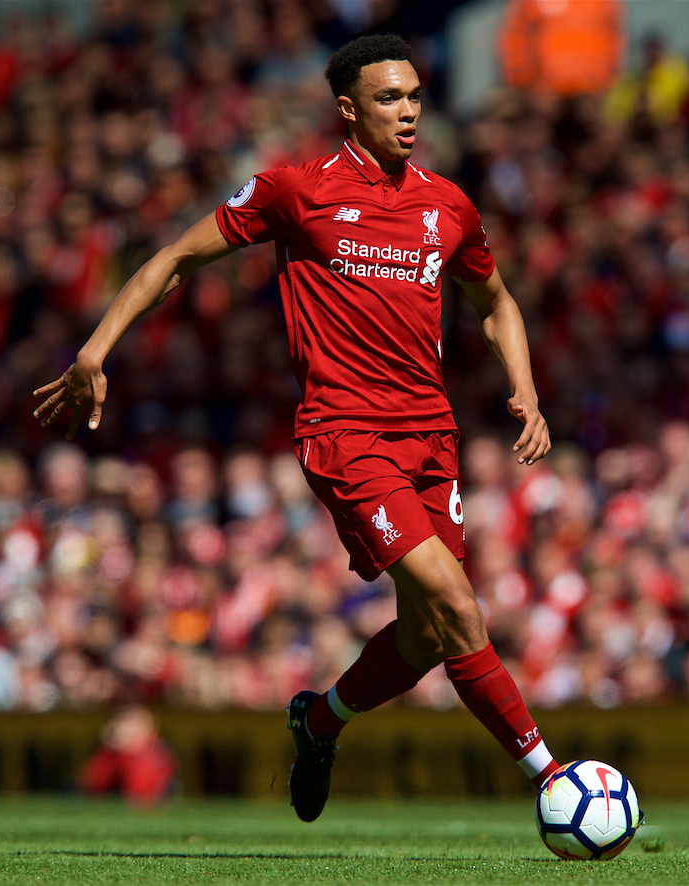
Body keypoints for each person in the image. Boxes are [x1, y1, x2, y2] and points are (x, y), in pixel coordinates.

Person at [33, 34, 562, 823]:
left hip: (432, 436)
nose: (409, 110)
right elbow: (177, 256)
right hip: (345, 434)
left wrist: (524, 387)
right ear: (349, 110)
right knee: (457, 606)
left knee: (425, 639)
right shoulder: (297, 191)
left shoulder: (447, 203)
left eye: (415, 94)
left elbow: (497, 302)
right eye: (389, 98)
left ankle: (320, 721)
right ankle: (553, 779)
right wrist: (95, 350)